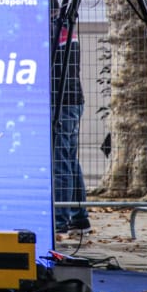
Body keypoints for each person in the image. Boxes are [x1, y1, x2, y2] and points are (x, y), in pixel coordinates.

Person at [52, 18, 92, 237]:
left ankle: (61, 218)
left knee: (61, 160)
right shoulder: (66, 27)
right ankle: (78, 215)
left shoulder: (52, 29)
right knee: (68, 157)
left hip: (61, 100)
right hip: (73, 98)